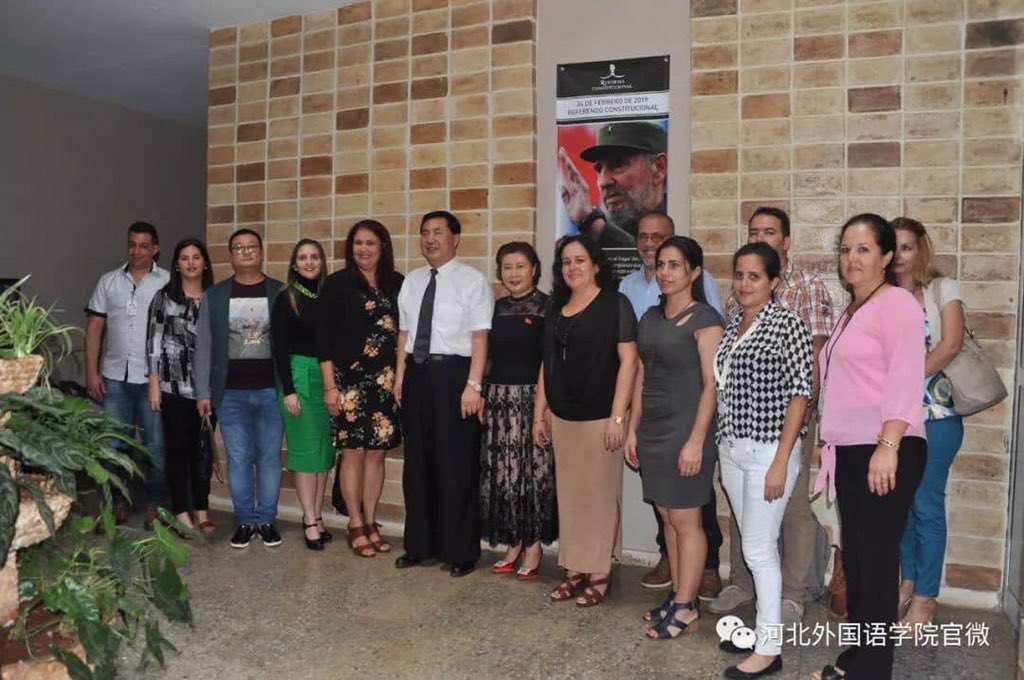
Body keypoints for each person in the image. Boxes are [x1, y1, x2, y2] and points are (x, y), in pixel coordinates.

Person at [812, 214, 927, 680]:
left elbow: (906, 376)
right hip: (852, 450)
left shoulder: (897, 303)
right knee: (858, 559)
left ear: (886, 256)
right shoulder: (853, 310)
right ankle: (858, 656)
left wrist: (888, 444)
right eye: (845, 249)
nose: (851, 258)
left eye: (863, 249)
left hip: (886, 447)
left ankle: (873, 669)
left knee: (876, 562)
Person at [712, 207, 835, 625]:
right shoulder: (736, 311)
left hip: (782, 428)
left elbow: (810, 369)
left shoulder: (802, 294)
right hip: (737, 437)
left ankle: (790, 598)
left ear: (786, 241)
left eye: (770, 231)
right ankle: (744, 586)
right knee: (746, 519)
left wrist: (793, 437)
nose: (761, 237)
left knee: (790, 512)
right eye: (754, 231)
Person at [715, 242, 812, 679]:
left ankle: (769, 649)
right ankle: (762, 630)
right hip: (733, 451)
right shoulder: (734, 324)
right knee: (756, 546)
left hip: (770, 452)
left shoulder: (788, 324)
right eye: (739, 274)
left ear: (774, 282)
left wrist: (780, 462)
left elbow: (800, 394)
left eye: (754, 276)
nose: (744, 283)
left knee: (757, 549)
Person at [618, 210, 724, 596]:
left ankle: (686, 606)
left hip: (687, 427)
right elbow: (641, 376)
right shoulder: (650, 317)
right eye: (662, 265)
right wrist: (632, 429)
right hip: (653, 428)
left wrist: (696, 441)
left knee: (685, 519)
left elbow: (712, 386)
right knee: (667, 517)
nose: (665, 272)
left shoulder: (706, 319)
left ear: (694, 272)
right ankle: (677, 597)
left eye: (675, 265)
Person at [533, 235, 638, 607]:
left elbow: (629, 362)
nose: (572, 267)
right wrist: (539, 413)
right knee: (571, 497)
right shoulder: (556, 308)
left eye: (579, 260)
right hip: (563, 417)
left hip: (601, 416)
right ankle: (574, 568)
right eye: (566, 262)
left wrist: (618, 417)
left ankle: (598, 572)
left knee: (600, 497)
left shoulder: (614, 304)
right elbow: (546, 364)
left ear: (595, 264)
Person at [393, 210, 494, 577]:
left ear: (455, 238)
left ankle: (461, 550)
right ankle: (419, 545)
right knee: (417, 465)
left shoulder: (472, 281)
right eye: (425, 232)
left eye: (438, 231)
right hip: (417, 375)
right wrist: (400, 377)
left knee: (456, 465)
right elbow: (404, 334)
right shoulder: (412, 280)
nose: (430, 239)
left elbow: (480, 338)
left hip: (455, 376)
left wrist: (474, 385)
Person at [891, 217, 965, 626]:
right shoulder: (881, 296)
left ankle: (926, 597)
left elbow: (951, 345)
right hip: (894, 419)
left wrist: (904, 380)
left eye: (907, 247)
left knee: (926, 504)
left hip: (936, 415)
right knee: (899, 504)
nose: (900, 256)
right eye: (894, 247)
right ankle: (908, 581)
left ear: (921, 248)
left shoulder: (942, 288)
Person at [195, 228, 286, 549]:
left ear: (261, 251)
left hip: (270, 391)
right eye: (238, 248)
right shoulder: (215, 296)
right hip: (230, 393)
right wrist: (203, 392)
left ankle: (267, 520)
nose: (245, 252)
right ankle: (246, 520)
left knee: (270, 458)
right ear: (230, 255)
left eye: (251, 247)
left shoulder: (279, 292)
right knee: (238, 458)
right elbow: (204, 346)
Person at [318, 220, 404, 557]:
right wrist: (330, 387)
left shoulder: (397, 284)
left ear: (383, 246)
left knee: (377, 454)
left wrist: (400, 379)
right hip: (349, 383)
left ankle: (370, 520)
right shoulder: (338, 284)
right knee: (353, 452)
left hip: (385, 383)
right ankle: (354, 522)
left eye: (370, 243)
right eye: (358, 243)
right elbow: (323, 339)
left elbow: (404, 335)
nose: (363, 249)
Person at [85, 221, 170, 526]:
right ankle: (116, 504)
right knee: (112, 446)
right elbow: (94, 329)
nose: (137, 251)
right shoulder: (108, 281)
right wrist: (91, 373)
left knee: (155, 448)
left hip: (153, 381)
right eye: (132, 245)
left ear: (155, 249)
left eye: (144, 246)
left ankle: (155, 504)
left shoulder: (168, 282)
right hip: (114, 379)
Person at [481, 242, 557, 580]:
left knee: (533, 475)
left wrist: (546, 408)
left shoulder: (548, 307)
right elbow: (487, 356)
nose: (513, 274)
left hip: (532, 402)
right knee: (505, 474)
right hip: (498, 402)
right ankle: (513, 541)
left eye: (520, 266)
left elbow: (551, 362)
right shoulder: (494, 309)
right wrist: (482, 394)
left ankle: (534, 545)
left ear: (534, 269)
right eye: (507, 267)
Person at [146, 238, 215, 535]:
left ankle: (202, 509)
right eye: (184, 258)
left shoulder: (214, 297)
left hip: (207, 389)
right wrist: (153, 383)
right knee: (177, 451)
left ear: (205, 263)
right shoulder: (164, 297)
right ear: (176, 264)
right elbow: (153, 342)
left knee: (203, 452)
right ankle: (180, 511)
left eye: (196, 257)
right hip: (173, 386)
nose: (190, 263)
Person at [271, 239, 334, 551]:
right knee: (306, 454)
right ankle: (308, 519)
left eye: (314, 257)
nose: (309, 262)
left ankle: (318, 516)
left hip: (326, 378)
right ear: (294, 265)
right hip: (299, 379)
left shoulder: (328, 296)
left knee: (322, 454)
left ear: (322, 262)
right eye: (303, 258)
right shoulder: (287, 298)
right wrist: (290, 391)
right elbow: (280, 348)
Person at [558, 121, 668, 248]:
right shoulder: (590, 243)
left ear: (659, 168)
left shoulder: (684, 225)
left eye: (618, 165)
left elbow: (652, 257)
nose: (603, 182)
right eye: (599, 169)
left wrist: (593, 223)